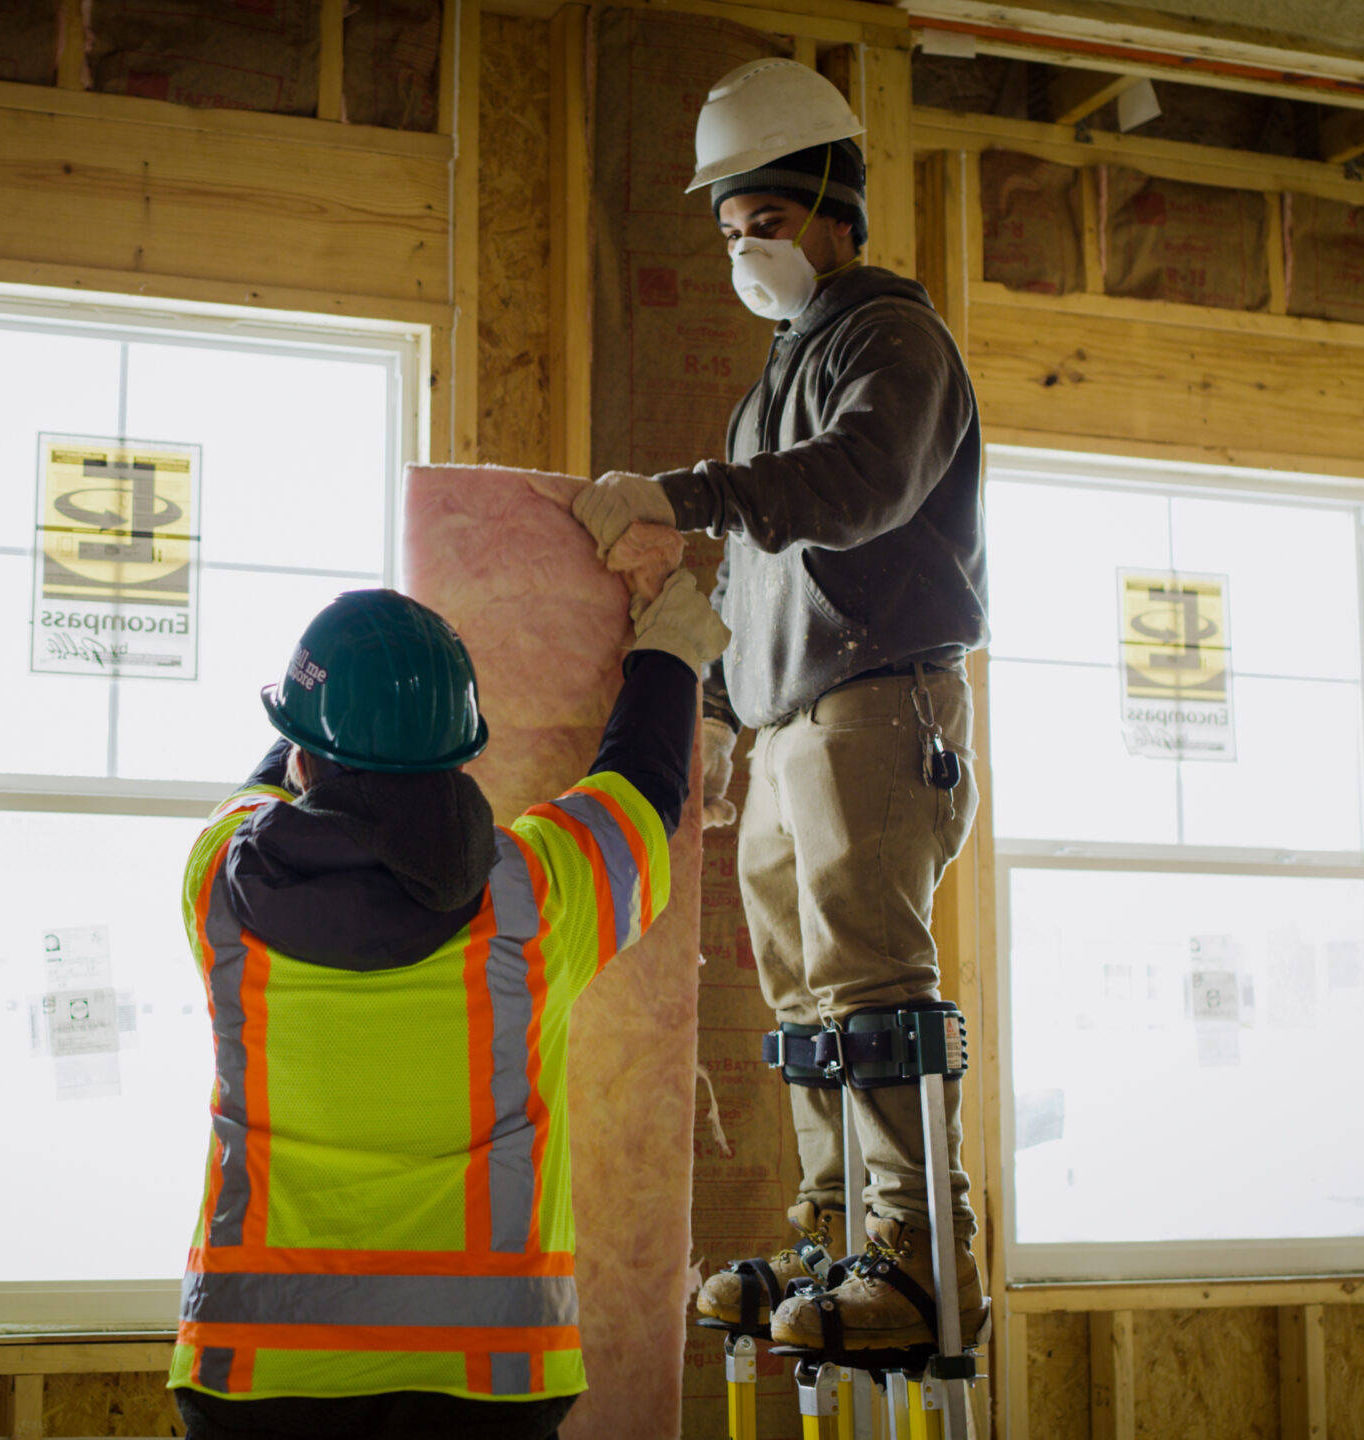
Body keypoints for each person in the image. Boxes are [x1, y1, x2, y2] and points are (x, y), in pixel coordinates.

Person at [567, 57, 989, 1353]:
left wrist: (680, 494)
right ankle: (834, 1239)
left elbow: (855, 487)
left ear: (833, 203)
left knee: (873, 981)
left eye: (767, 223)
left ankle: (921, 1259)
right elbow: (762, 572)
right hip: (786, 721)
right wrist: (708, 691)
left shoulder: (892, 341)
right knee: (807, 1000)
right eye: (732, 232)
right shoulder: (774, 377)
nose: (749, 252)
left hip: (876, 704)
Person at [168, 579, 730, 1440]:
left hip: (256, 1374)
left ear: (306, 761)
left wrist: (329, 707)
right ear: (462, 763)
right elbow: (643, 793)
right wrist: (669, 658)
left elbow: (262, 792)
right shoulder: (535, 901)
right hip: (488, 1382)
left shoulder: (218, 890)